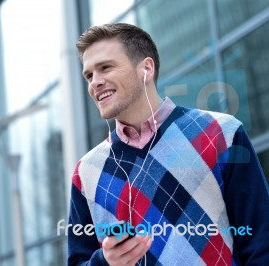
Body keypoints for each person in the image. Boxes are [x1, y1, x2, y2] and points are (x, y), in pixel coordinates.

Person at [67, 23, 269, 266]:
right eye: (89, 75)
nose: (94, 82)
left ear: (146, 69)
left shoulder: (222, 133)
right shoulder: (86, 172)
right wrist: (105, 262)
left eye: (105, 68)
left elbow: (261, 241)